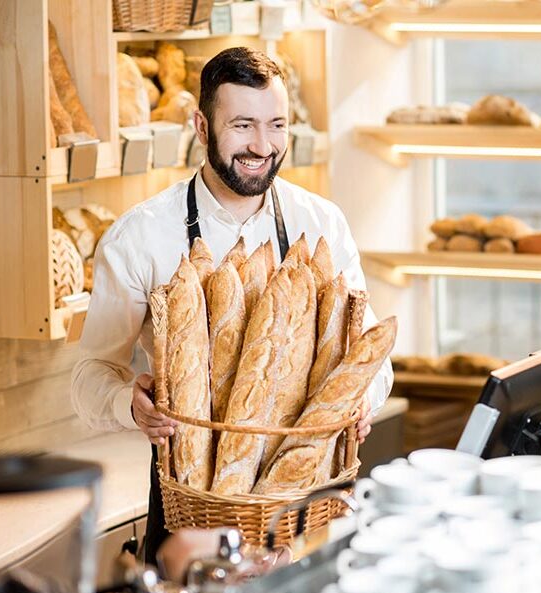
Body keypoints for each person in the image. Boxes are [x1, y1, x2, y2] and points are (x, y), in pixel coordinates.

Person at [70, 47, 393, 565]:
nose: (262, 146)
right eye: (243, 125)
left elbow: (373, 358)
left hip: (304, 499)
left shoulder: (322, 224)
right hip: (192, 503)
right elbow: (88, 377)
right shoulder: (143, 235)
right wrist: (130, 402)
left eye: (276, 125)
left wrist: (362, 401)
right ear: (201, 126)